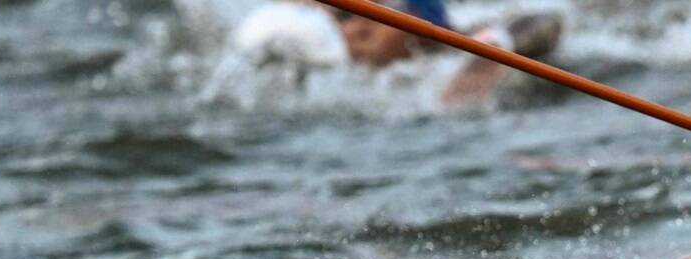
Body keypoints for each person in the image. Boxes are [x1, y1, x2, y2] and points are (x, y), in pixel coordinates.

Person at [230, 0, 562, 105]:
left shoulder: (448, 53)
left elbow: (545, 23)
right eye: (347, 18)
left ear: (421, 30)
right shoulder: (327, 64)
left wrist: (490, 55)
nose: (356, 31)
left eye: (375, 21)